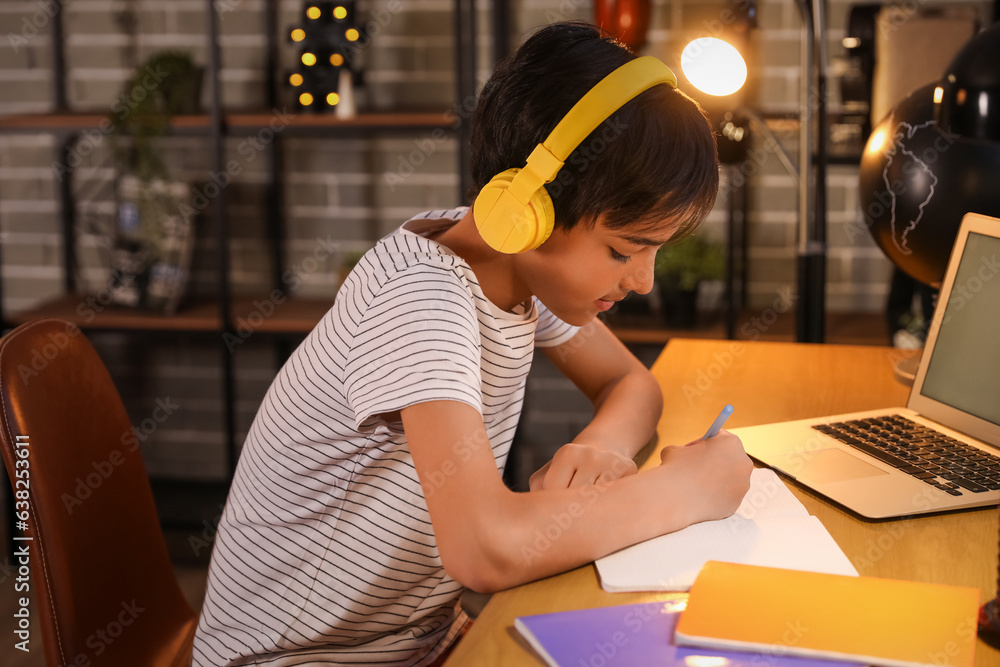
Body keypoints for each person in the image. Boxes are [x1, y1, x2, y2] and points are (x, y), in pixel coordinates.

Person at [192, 21, 752, 667]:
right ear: (526, 211)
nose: (643, 279)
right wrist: (687, 493)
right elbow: (484, 548)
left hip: (411, 643)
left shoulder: (511, 271)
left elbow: (633, 386)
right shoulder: (421, 299)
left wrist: (598, 446)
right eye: (624, 249)